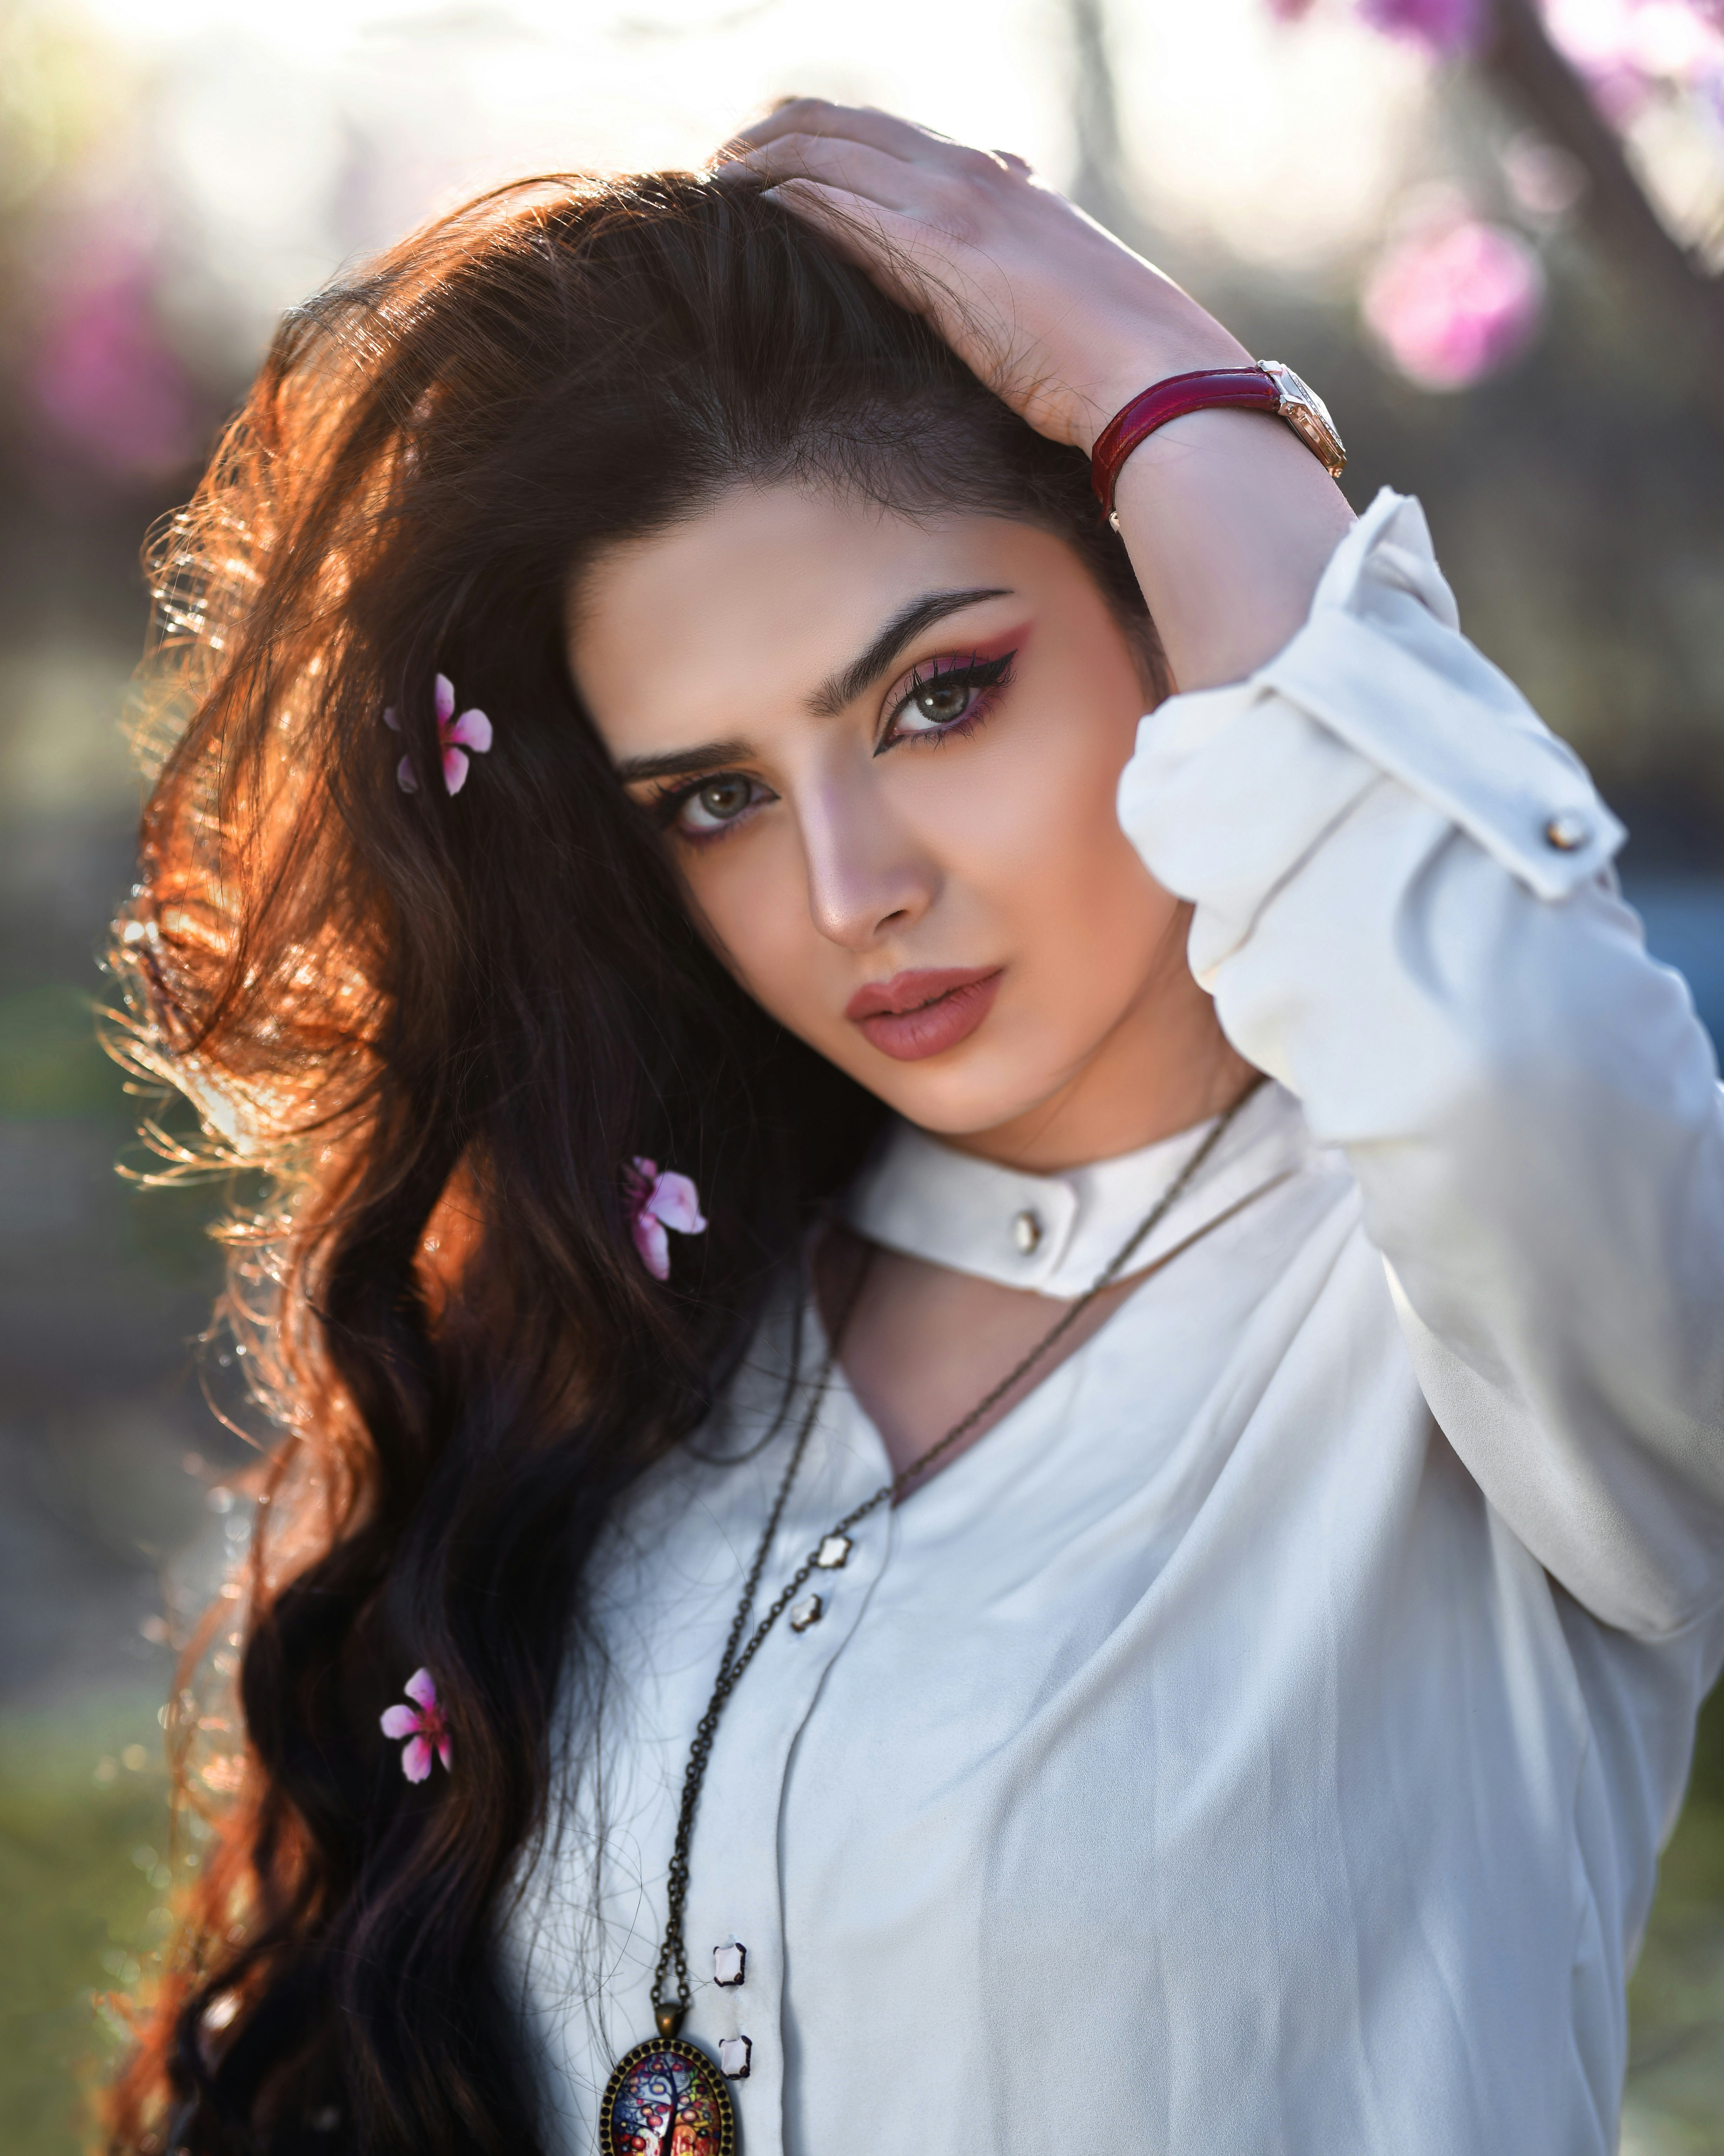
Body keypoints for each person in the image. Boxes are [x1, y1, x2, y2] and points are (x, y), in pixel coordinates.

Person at [106, 101, 1724, 2156]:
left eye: (940, 697)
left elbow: (1505, 1044)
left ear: (1162, 616)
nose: (849, 887)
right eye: (717, 798)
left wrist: (1172, 394)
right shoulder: (640, 1335)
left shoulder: (1505, 1316)